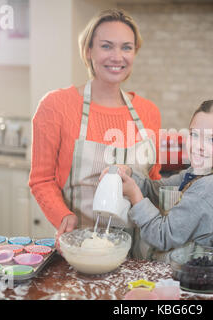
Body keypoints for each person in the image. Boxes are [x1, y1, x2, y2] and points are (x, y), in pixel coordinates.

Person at [28, 9, 162, 251]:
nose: (117, 56)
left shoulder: (149, 111)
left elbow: (153, 180)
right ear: (89, 51)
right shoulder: (56, 106)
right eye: (107, 46)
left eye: (126, 48)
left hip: (143, 252)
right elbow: (41, 179)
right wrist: (62, 216)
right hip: (82, 247)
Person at [103, 99, 213, 262]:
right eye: (194, 135)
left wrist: (135, 195)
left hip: (189, 280)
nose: (199, 145)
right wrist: (129, 173)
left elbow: (162, 236)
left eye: (212, 140)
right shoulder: (199, 172)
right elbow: (157, 190)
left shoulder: (210, 188)